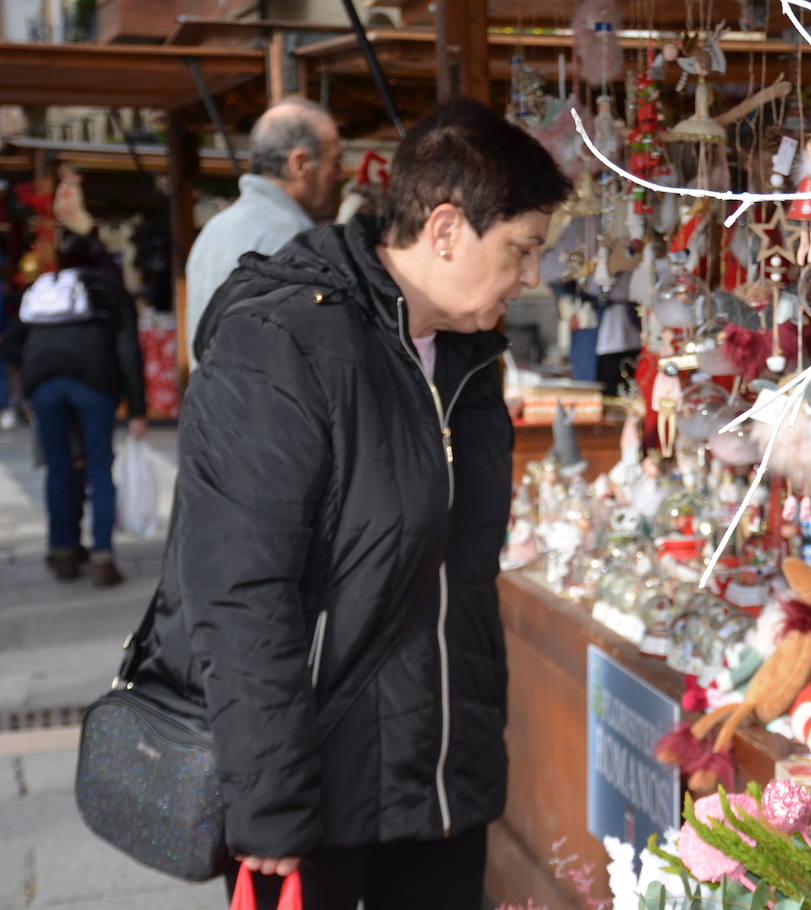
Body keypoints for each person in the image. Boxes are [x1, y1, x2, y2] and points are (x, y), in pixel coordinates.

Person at [138, 98, 570, 909]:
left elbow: (452, 575)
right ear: (445, 230)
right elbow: (237, 588)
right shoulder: (285, 341)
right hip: (312, 795)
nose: (529, 276)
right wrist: (268, 803)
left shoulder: (469, 359)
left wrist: (469, 757)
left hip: (438, 782)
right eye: (521, 249)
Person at [2, 232, 146, 584]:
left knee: (59, 468)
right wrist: (137, 409)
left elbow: (9, 343)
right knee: (99, 467)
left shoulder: (45, 287)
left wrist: (34, 368)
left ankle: (63, 552)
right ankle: (102, 557)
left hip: (45, 383)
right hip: (94, 382)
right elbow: (128, 352)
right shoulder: (112, 292)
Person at [184, 97, 344, 370]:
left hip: (216, 404)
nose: (341, 174)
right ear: (300, 164)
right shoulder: (290, 235)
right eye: (335, 161)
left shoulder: (217, 225)